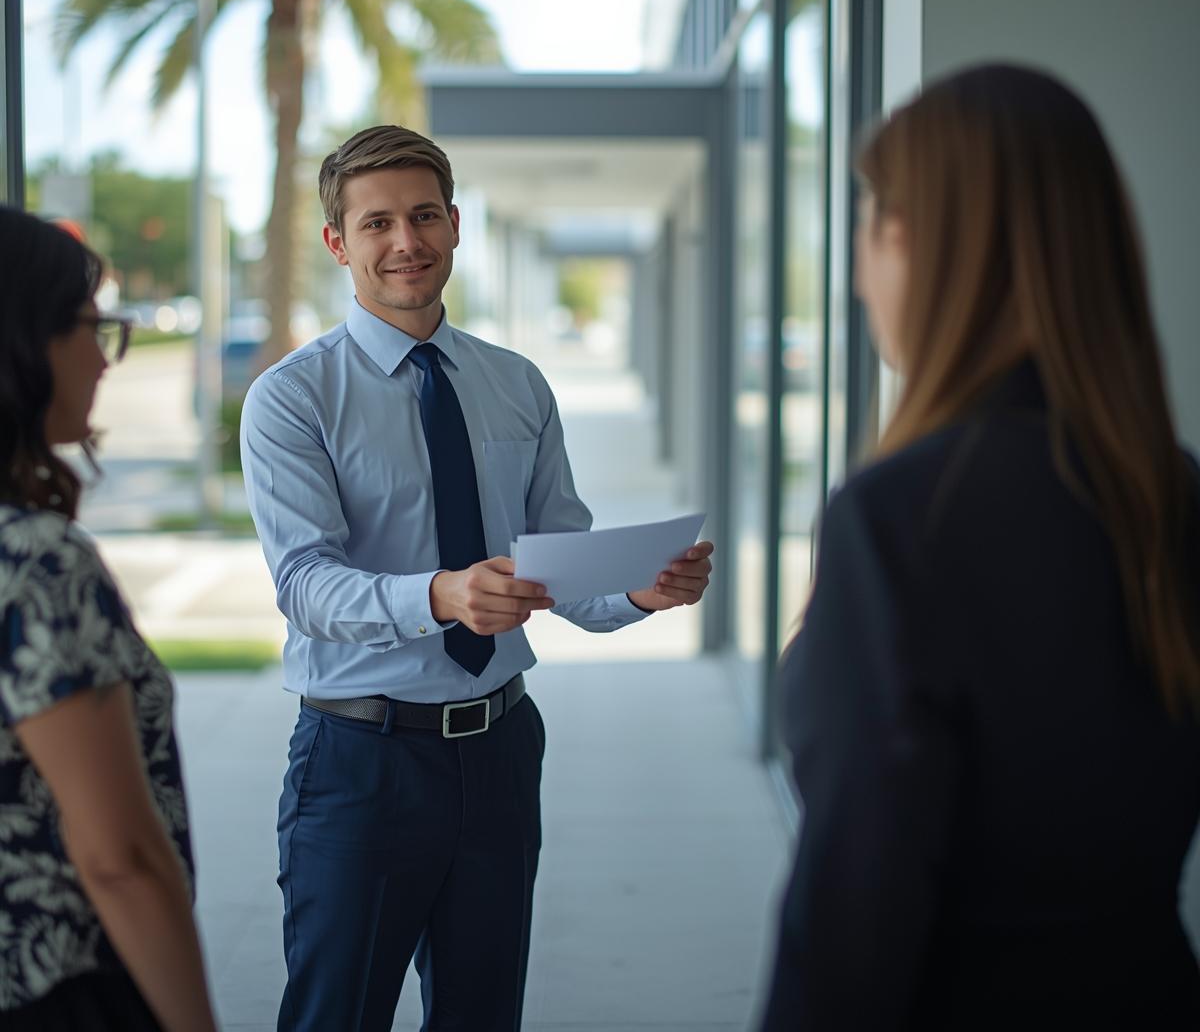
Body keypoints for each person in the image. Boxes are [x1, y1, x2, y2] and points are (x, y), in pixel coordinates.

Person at [239, 125, 715, 1032]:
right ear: (339, 242)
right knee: (337, 1015)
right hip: (362, 763)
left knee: (483, 1014)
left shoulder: (517, 385)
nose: (405, 242)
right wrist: (439, 596)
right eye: (377, 223)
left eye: (424, 215)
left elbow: (558, 561)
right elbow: (303, 584)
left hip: (499, 752)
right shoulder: (293, 398)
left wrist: (637, 593)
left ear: (455, 225)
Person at [759, 64, 1200, 1030]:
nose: (861, 269)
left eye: (871, 221)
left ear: (916, 243)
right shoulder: (1175, 489)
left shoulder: (899, 518)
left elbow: (848, 928)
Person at [0, 209, 218, 1032]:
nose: (103, 359)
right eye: (93, 330)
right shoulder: (36, 563)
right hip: (59, 991)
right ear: (24, 341)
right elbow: (119, 859)